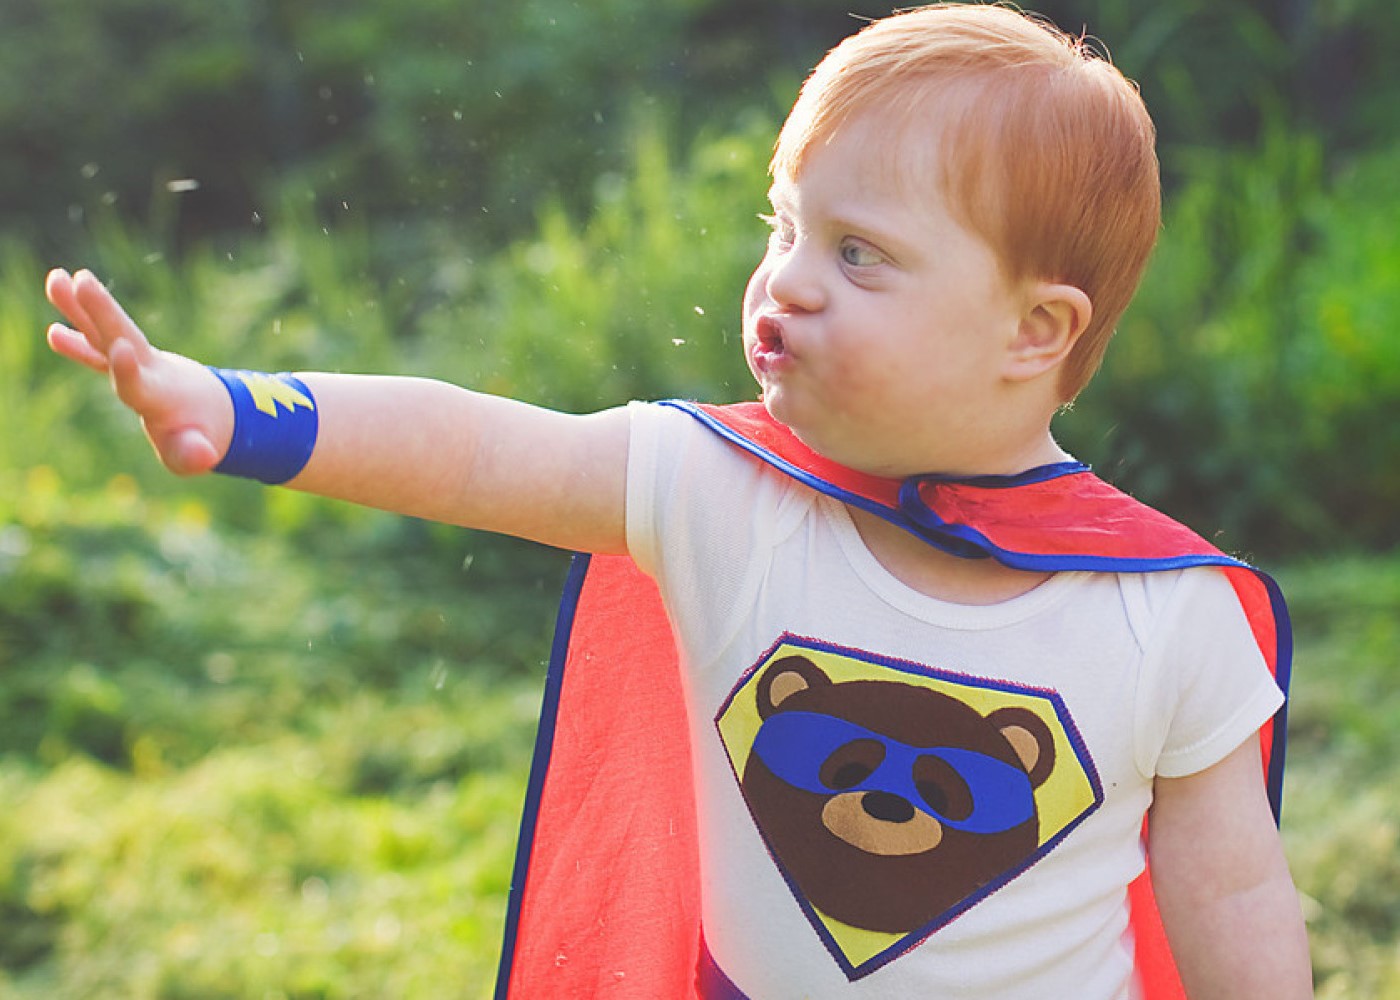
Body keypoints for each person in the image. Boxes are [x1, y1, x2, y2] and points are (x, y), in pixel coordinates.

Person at [45, 4, 1312, 998]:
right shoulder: (718, 490)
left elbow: (1235, 901)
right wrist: (242, 410)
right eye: (785, 228)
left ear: (1033, 330)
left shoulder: (1166, 615)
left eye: (857, 251)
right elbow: (480, 449)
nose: (787, 282)